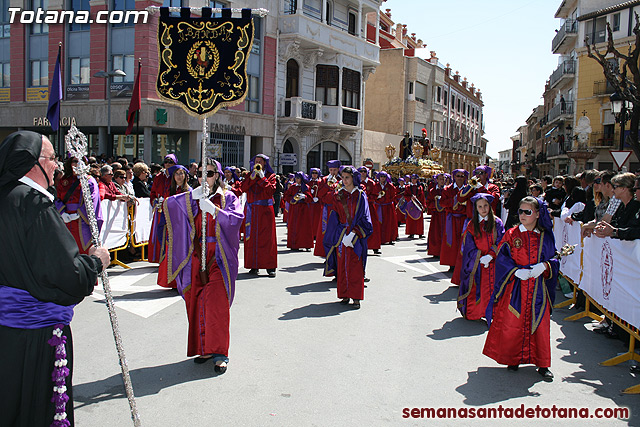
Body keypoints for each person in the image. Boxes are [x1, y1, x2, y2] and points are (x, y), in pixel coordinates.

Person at [0, 131, 110, 426]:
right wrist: (95, 263)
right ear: (33, 163)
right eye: (50, 159)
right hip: (37, 338)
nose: (56, 166)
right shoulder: (33, 204)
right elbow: (67, 277)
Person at [163, 159, 243, 373]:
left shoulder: (229, 197)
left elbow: (236, 220)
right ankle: (205, 348)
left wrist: (216, 211)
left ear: (216, 175)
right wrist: (191, 197)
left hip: (219, 255)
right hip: (197, 255)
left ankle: (220, 352)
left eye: (208, 174)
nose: (204, 178)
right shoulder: (192, 196)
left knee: (216, 301)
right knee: (197, 300)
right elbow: (170, 206)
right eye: (200, 173)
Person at [483, 196, 559, 381]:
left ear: (537, 214)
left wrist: (546, 266)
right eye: (520, 211)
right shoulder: (512, 234)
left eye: (528, 212)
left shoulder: (545, 235)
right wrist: (515, 271)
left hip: (538, 288)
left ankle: (543, 363)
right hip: (516, 287)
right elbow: (502, 257)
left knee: (540, 325)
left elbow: (554, 259)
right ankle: (513, 358)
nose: (523, 215)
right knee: (513, 323)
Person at [323, 166, 373, 309]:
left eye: (347, 177)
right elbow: (335, 216)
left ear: (353, 178)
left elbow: (365, 216)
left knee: (355, 264)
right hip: (342, 234)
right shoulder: (338, 195)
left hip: (356, 234)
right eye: (343, 177)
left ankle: (356, 296)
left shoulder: (361, 195)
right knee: (343, 263)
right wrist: (337, 234)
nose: (344, 180)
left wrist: (354, 233)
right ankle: (344, 293)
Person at [457, 194, 505, 320]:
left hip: (494, 262)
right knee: (478, 287)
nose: (483, 209)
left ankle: (492, 312)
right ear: (476, 208)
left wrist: (491, 255)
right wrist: (478, 257)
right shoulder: (472, 224)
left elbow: (501, 241)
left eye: (485, 206)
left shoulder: (497, 222)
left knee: (493, 287)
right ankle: (478, 312)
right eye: (480, 206)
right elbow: (468, 245)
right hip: (477, 264)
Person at [55, 156, 103, 254]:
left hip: (82, 221)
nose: (78, 164)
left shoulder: (89, 181)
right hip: (65, 221)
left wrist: (79, 214)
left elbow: (92, 201)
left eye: (81, 161)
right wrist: (62, 213)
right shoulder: (64, 180)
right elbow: (57, 198)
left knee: (82, 250)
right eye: (75, 161)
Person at [241, 154, 278, 277]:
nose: (258, 164)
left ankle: (270, 266)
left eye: (260, 162)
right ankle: (253, 265)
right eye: (256, 162)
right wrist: (251, 178)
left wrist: (262, 178)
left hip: (265, 211)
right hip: (252, 210)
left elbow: (271, 190)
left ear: (264, 164)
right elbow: (243, 188)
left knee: (267, 239)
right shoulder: (249, 175)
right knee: (251, 238)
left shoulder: (271, 176)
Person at [158, 165, 191, 288]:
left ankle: (183, 282)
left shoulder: (189, 190)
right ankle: (173, 281)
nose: (179, 176)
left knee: (183, 252)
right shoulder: (169, 190)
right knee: (171, 253)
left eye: (181, 173)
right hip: (171, 227)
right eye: (177, 174)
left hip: (183, 228)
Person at [148, 154, 177, 263]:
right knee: (160, 232)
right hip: (160, 210)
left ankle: (172, 257)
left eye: (171, 162)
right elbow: (153, 193)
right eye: (166, 162)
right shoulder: (158, 177)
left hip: (173, 210)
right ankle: (162, 257)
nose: (168, 164)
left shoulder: (177, 175)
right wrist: (155, 201)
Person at [594, 172, 640, 240]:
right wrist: (603, 229)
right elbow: (614, 222)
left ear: (623, 188)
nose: (612, 190)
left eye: (615, 187)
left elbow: (632, 228)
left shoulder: (635, 206)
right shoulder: (621, 205)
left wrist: (615, 232)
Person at [440, 169, 468, 272]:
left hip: (464, 218)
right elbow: (442, 203)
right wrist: (455, 200)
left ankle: (463, 263)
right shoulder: (447, 189)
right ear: (454, 177)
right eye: (458, 176)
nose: (460, 178)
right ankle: (452, 263)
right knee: (451, 240)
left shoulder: (468, 189)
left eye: (462, 176)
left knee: (463, 241)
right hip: (452, 218)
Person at [314, 160, 342, 258]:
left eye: (334, 170)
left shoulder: (342, 179)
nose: (332, 172)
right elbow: (320, 194)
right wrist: (327, 185)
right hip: (327, 208)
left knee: (336, 231)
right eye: (331, 170)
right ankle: (326, 253)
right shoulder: (324, 180)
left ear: (338, 169)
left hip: (338, 208)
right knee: (325, 231)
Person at [283, 171, 314, 250]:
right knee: (293, 226)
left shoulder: (306, 187)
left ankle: (306, 245)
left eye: (298, 178)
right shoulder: (293, 187)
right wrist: (292, 199)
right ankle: (294, 245)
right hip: (294, 208)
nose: (296, 180)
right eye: (296, 178)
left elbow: (310, 199)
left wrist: (304, 197)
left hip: (303, 209)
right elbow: (286, 196)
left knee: (304, 227)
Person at [359, 166, 382, 254]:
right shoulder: (356, 182)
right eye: (361, 171)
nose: (363, 173)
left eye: (364, 171)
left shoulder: (371, 183)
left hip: (370, 207)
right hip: (360, 208)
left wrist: (366, 199)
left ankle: (375, 246)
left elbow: (375, 195)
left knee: (374, 226)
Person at [426, 173, 446, 258]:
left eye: (443, 179)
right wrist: (436, 204)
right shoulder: (432, 191)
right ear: (437, 180)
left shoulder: (447, 190)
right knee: (435, 233)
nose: (442, 181)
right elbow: (428, 203)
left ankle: (444, 251)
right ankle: (435, 251)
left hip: (445, 215)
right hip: (436, 215)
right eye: (440, 179)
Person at [375, 171, 398, 245]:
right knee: (379, 223)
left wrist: (386, 201)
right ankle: (380, 239)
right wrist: (378, 197)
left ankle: (390, 238)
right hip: (379, 206)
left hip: (388, 207)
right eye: (381, 177)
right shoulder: (376, 185)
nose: (382, 178)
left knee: (389, 223)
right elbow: (373, 195)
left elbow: (393, 196)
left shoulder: (390, 186)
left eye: (384, 177)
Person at [404, 174, 426, 238]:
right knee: (410, 219)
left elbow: (422, 197)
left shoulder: (420, 187)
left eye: (415, 178)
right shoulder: (408, 187)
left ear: (417, 179)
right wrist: (410, 198)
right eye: (412, 178)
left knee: (419, 219)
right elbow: (405, 195)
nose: (413, 180)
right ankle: (411, 233)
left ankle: (420, 233)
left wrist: (423, 205)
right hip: (411, 204)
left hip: (418, 204)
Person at [308, 168, 323, 239]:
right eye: (313, 173)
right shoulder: (308, 182)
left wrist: (318, 198)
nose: (314, 174)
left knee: (317, 220)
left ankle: (316, 234)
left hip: (317, 204)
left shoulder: (320, 182)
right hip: (310, 204)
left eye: (316, 173)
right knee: (309, 219)